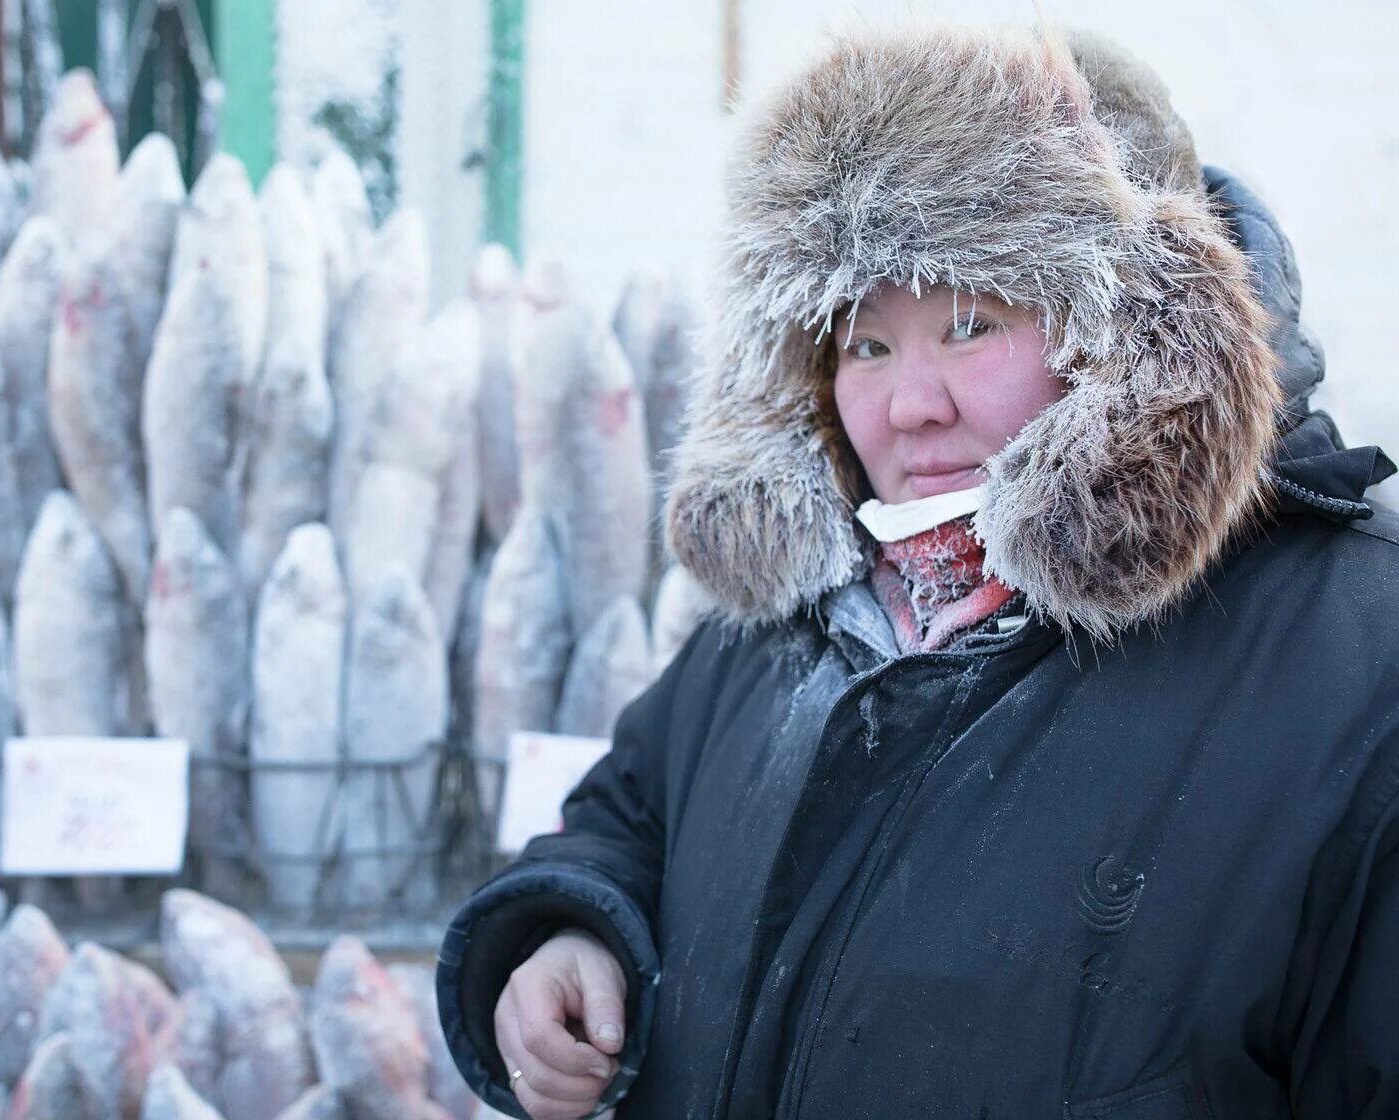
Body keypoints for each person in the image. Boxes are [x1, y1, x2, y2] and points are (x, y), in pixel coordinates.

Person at [434, 21, 1399, 1120]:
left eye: (971, 321)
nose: (909, 404)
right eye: (866, 343)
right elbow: (633, 813)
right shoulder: (798, 616)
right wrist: (572, 925)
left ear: (1134, 327)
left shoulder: (1353, 662)